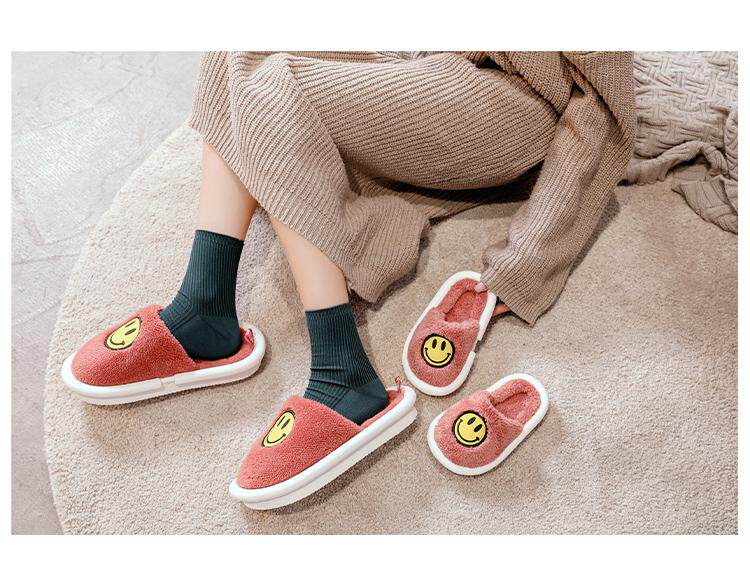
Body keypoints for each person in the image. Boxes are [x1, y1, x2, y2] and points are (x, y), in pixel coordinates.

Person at [69, 51, 635, 428]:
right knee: (236, 53)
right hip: (423, 53)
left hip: (509, 99)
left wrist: (527, 261)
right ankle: (205, 304)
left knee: (276, 90)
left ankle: (342, 366)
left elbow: (602, 114)